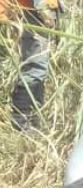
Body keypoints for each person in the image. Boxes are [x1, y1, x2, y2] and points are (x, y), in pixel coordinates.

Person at [1, 0, 61, 131]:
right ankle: (21, 121)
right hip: (35, 13)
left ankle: (33, 120)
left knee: (41, 68)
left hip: (44, 11)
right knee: (35, 68)